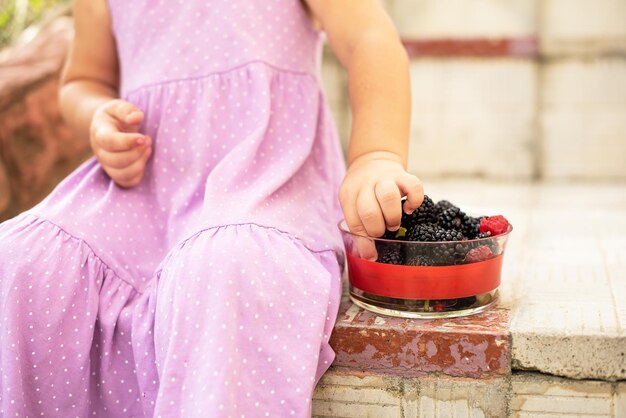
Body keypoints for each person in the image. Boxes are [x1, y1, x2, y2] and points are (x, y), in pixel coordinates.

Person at [0, 0, 423, 416]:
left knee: (229, 266)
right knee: (19, 260)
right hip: (138, 193)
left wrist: (375, 155)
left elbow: (368, 36)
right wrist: (97, 117)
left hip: (261, 181)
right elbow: (83, 81)